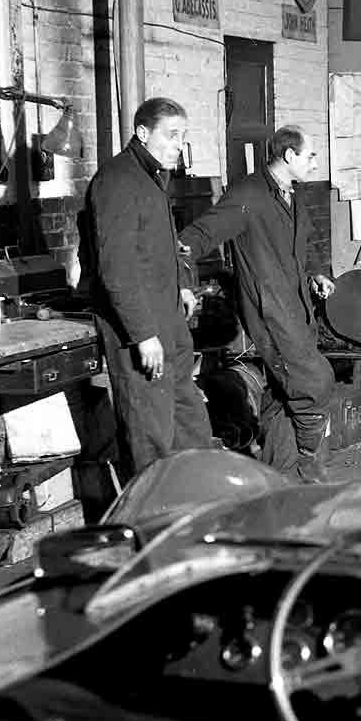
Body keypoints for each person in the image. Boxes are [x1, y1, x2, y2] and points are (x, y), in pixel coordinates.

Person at [177, 125, 336, 483]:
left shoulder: (291, 192)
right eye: (310, 156)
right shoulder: (248, 194)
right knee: (315, 383)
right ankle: (308, 464)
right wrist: (184, 284)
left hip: (298, 307)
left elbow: (305, 241)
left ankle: (280, 474)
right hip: (271, 311)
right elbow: (195, 238)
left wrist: (316, 272)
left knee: (283, 393)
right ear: (289, 155)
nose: (314, 163)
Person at [80, 96, 213, 482]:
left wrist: (183, 286)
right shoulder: (117, 181)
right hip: (140, 329)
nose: (179, 145)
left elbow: (159, 246)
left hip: (167, 320)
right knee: (150, 435)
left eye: (182, 136)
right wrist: (142, 334)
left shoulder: (151, 178)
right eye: (171, 135)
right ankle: (156, 512)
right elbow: (116, 268)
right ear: (142, 132)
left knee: (189, 421)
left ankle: (199, 502)